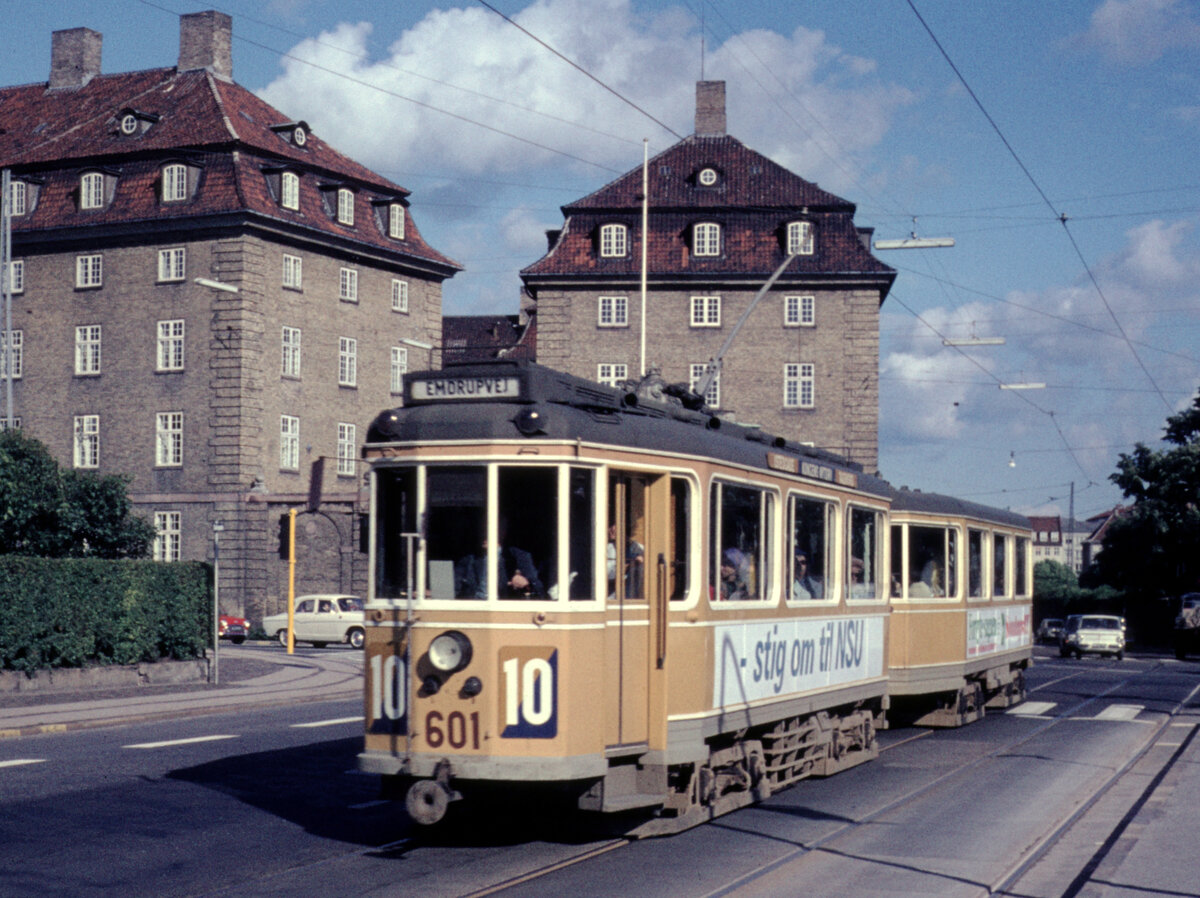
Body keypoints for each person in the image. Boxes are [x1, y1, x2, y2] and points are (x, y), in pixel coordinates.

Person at [456, 523, 544, 598]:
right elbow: (454, 588)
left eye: (488, 529)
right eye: (482, 530)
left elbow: (539, 590)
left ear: (502, 532)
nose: (484, 535)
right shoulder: (468, 560)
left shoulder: (518, 557)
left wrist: (526, 585)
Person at [606, 523, 645, 598]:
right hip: (613, 595)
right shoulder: (607, 548)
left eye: (614, 526)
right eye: (609, 527)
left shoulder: (638, 547)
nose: (611, 530)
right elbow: (607, 574)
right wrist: (627, 566)